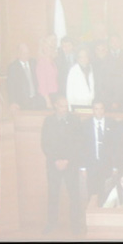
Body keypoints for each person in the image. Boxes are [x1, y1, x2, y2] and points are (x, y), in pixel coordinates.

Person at [42, 96, 82, 235]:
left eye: (66, 106)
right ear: (55, 106)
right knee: (53, 195)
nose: (64, 109)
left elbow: (78, 143)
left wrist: (67, 160)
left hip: (71, 164)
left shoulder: (75, 120)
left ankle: (76, 225)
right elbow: (45, 143)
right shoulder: (48, 121)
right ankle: (51, 223)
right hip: (53, 165)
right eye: (61, 106)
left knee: (74, 196)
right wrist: (56, 160)